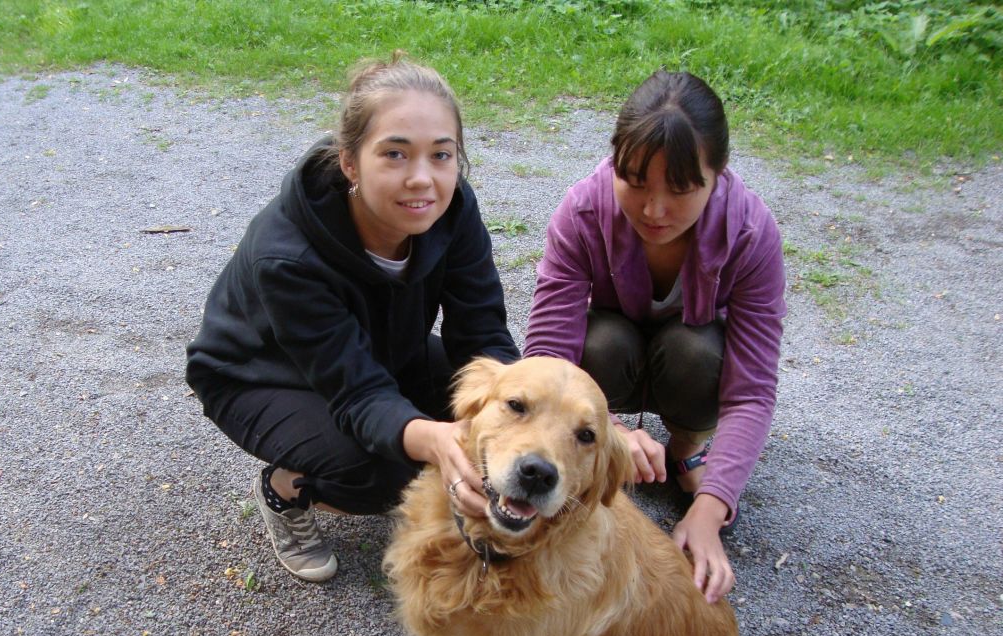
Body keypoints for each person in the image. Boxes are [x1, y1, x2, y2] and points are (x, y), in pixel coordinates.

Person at [186, 53, 519, 583]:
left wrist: (514, 413)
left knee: (479, 406)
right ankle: (286, 489)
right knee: (390, 471)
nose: (422, 179)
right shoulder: (286, 256)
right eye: (394, 154)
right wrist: (436, 440)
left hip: (379, 352)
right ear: (349, 162)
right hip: (258, 376)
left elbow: (481, 334)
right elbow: (359, 394)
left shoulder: (452, 207)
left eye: (441, 155)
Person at [523, 70, 786, 604]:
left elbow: (751, 390)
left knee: (699, 349)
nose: (654, 209)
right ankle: (589, 446)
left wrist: (713, 509)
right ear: (614, 159)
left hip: (688, 360)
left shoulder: (753, 234)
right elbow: (547, 358)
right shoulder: (581, 212)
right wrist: (612, 432)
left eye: (681, 189)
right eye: (635, 181)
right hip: (612, 359)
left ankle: (688, 449)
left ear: (718, 177)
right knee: (599, 344)